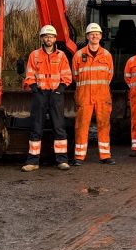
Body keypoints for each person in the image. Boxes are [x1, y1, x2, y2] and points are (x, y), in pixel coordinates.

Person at [21, 24, 73, 172]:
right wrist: (34, 88)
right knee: (36, 128)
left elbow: (67, 75)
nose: (48, 39)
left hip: (56, 94)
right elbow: (30, 74)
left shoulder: (61, 56)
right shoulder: (34, 55)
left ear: (55, 39)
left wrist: (60, 89)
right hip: (40, 95)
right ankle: (32, 161)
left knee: (59, 128)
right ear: (42, 38)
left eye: (51, 36)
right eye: (45, 36)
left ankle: (62, 160)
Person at [72, 23, 115, 165]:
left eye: (97, 34)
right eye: (92, 34)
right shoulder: (78, 55)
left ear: (101, 36)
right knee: (81, 125)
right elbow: (75, 76)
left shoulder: (107, 55)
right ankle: (79, 157)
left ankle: (105, 156)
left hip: (102, 96)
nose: (94, 36)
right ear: (87, 36)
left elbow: (109, 75)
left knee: (104, 125)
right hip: (84, 96)